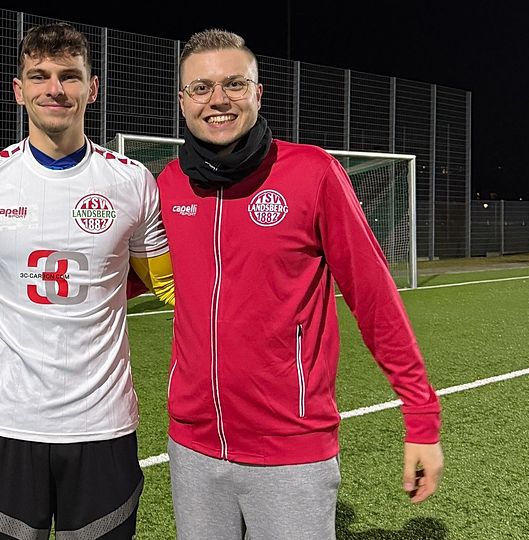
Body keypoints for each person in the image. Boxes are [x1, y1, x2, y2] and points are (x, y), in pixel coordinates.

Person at [156, 29, 444, 540]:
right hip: (193, 450)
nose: (218, 100)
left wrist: (421, 415)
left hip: (291, 451)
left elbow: (373, 298)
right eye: (200, 88)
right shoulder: (169, 184)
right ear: (182, 101)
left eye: (234, 84)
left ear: (259, 93)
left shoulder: (312, 173)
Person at [0, 22, 175, 539]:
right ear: (18, 90)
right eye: (39, 76)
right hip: (6, 423)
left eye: (69, 76)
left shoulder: (132, 182)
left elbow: (171, 287)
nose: (55, 89)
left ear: (92, 87)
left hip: (103, 424)